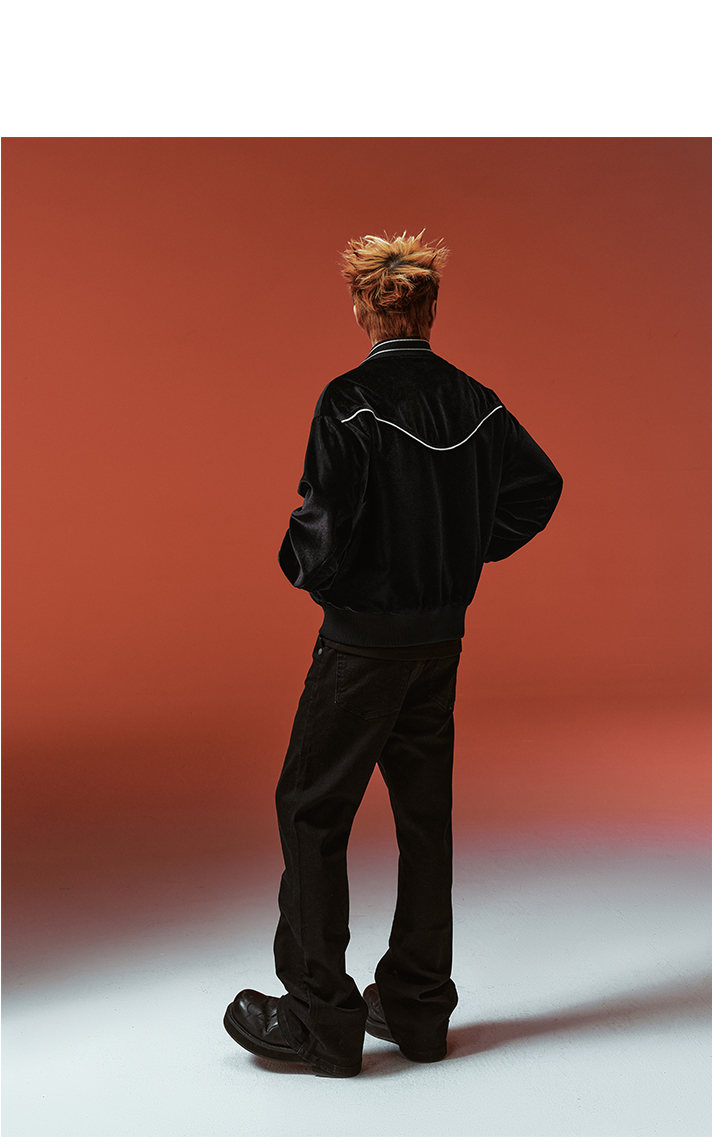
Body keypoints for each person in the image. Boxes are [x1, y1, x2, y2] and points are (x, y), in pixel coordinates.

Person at [223, 231, 563, 1078]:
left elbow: (324, 527)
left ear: (361, 307)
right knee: (422, 817)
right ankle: (417, 1007)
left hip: (362, 647)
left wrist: (304, 566)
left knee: (311, 809)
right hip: (439, 641)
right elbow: (539, 487)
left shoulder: (349, 402)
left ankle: (320, 1019)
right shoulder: (477, 400)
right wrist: (460, 550)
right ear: (429, 307)